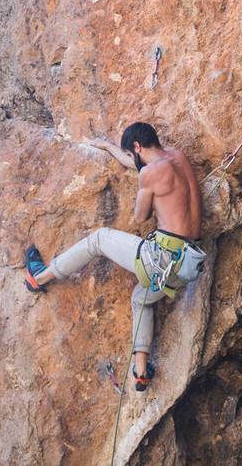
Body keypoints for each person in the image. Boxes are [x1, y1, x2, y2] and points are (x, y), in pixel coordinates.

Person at [23, 122, 203, 392]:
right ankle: (141, 371)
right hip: (187, 265)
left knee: (99, 239)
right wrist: (107, 147)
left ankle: (41, 277)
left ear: (137, 148)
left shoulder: (150, 175)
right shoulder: (179, 158)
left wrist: (151, 197)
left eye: (131, 154)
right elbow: (143, 166)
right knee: (141, 299)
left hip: (160, 259)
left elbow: (140, 217)